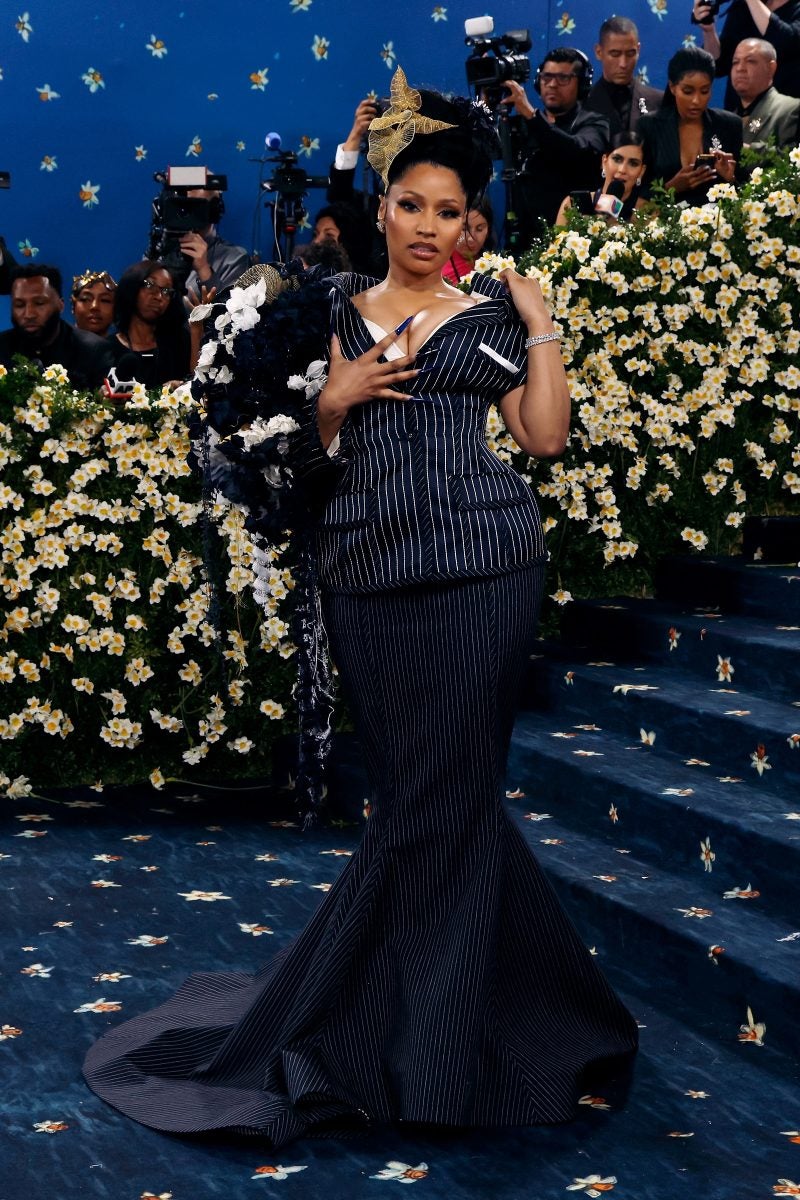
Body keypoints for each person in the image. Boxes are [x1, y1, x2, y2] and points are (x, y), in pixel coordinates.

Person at [83, 66, 638, 1147]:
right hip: (368, 575)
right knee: (424, 800)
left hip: (487, 568)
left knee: (451, 796)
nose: (429, 226)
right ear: (380, 210)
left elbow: (543, 438)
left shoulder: (488, 316)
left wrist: (540, 324)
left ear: (468, 224)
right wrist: (330, 406)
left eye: (449, 211)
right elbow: (244, 457)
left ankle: (432, 1055)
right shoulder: (316, 312)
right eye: (412, 205)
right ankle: (478, 1019)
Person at [500, 48, 610, 239]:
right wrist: (485, 108)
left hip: (574, 239)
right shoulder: (523, 124)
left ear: (582, 84)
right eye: (547, 77)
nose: (552, 84)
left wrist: (532, 116)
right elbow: (484, 151)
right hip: (525, 236)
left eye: (563, 78)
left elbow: (576, 151)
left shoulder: (595, 123)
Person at [638, 46, 743, 206]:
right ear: (672, 87)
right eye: (688, 91)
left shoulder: (729, 125)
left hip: (718, 219)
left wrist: (731, 179)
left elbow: (745, 191)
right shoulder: (649, 126)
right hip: (664, 219)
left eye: (704, 91)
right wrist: (671, 188)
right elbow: (637, 191)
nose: (696, 100)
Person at [0, 264, 114, 388]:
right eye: (19, 305)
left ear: (61, 305)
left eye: (39, 303)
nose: (29, 314)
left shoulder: (94, 352)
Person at [693, 0, 800, 108]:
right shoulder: (743, 7)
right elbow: (720, 65)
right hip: (737, 110)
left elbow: (784, 43)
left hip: (782, 111)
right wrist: (709, 31)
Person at [107, 260, 190, 388]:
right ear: (132, 287)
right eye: (150, 285)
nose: (159, 297)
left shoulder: (178, 343)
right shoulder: (107, 350)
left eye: (166, 291)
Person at [584, 15, 664, 135]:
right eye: (615, 54)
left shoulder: (659, 102)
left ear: (638, 50)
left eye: (630, 54)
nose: (623, 64)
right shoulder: (582, 104)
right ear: (599, 52)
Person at [555, 130, 648, 225]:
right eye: (617, 159)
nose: (622, 170)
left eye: (633, 163)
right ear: (604, 161)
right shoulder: (573, 204)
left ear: (641, 171)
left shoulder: (649, 213)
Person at [180, 182, 250, 300]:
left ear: (214, 211)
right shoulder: (160, 252)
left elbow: (232, 308)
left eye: (196, 206)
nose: (188, 213)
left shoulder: (234, 259)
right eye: (183, 206)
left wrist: (204, 270)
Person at [729, 37, 800, 145]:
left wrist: (743, 149)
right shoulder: (727, 120)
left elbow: (790, 152)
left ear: (771, 68)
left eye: (750, 61)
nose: (740, 68)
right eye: (735, 62)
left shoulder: (792, 109)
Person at [441, 196, 494, 284]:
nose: (471, 238)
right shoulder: (436, 269)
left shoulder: (494, 266)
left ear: (488, 231)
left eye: (479, 229)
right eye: (464, 229)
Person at [71, 270, 117, 339]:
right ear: (73, 305)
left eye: (104, 300)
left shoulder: (124, 346)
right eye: (86, 299)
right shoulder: (56, 344)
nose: (95, 306)